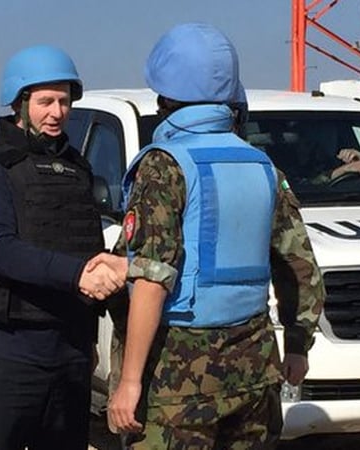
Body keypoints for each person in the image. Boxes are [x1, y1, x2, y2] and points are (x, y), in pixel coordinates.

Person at [106, 23, 326, 449]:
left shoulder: (164, 165)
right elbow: (300, 266)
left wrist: (130, 382)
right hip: (255, 369)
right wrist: (298, 346)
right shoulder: (262, 166)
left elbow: (153, 276)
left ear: (165, 95)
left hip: (177, 375)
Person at [0, 45, 126, 450]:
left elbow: (87, 246)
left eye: (64, 102)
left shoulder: (78, 168)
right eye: (45, 102)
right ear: (19, 103)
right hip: (6, 350)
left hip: (69, 349)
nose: (57, 113)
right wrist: (77, 275)